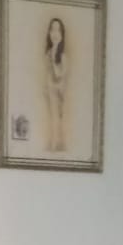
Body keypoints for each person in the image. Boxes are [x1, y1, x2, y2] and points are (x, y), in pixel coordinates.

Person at [43, 16, 69, 153]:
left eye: (58, 30)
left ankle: (56, 144)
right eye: (52, 29)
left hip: (58, 94)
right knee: (48, 119)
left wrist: (53, 59)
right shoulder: (47, 53)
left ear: (62, 35)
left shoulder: (63, 56)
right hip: (48, 92)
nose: (54, 33)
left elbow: (58, 76)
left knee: (57, 119)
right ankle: (51, 144)